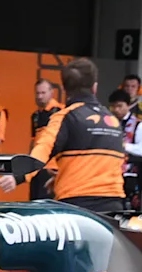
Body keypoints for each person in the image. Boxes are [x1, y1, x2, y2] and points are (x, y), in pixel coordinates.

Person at [13, 57, 127, 213]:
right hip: (114, 204)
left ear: (64, 89)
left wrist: (17, 176)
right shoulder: (112, 120)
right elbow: (113, 161)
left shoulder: (64, 117)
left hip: (77, 205)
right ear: (95, 87)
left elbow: (43, 149)